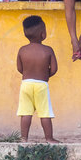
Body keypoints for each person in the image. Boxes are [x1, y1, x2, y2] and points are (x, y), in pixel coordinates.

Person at [16, 15, 60, 143]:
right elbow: (54, 69)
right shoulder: (48, 50)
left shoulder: (22, 50)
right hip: (41, 85)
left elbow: (20, 68)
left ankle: (23, 138)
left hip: (26, 84)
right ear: (42, 34)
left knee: (25, 113)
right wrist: (45, 76)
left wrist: (28, 74)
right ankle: (49, 138)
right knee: (45, 113)